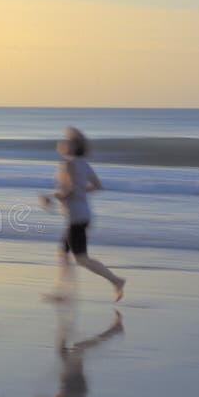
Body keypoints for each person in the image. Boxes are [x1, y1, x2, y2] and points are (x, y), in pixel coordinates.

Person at [40, 127, 126, 301]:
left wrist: (52, 197)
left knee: (81, 259)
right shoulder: (84, 164)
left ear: (70, 147)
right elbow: (97, 186)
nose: (61, 142)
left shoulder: (68, 164)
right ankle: (63, 291)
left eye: (65, 140)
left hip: (76, 218)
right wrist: (76, 192)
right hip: (83, 215)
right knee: (63, 253)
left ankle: (116, 280)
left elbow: (68, 190)